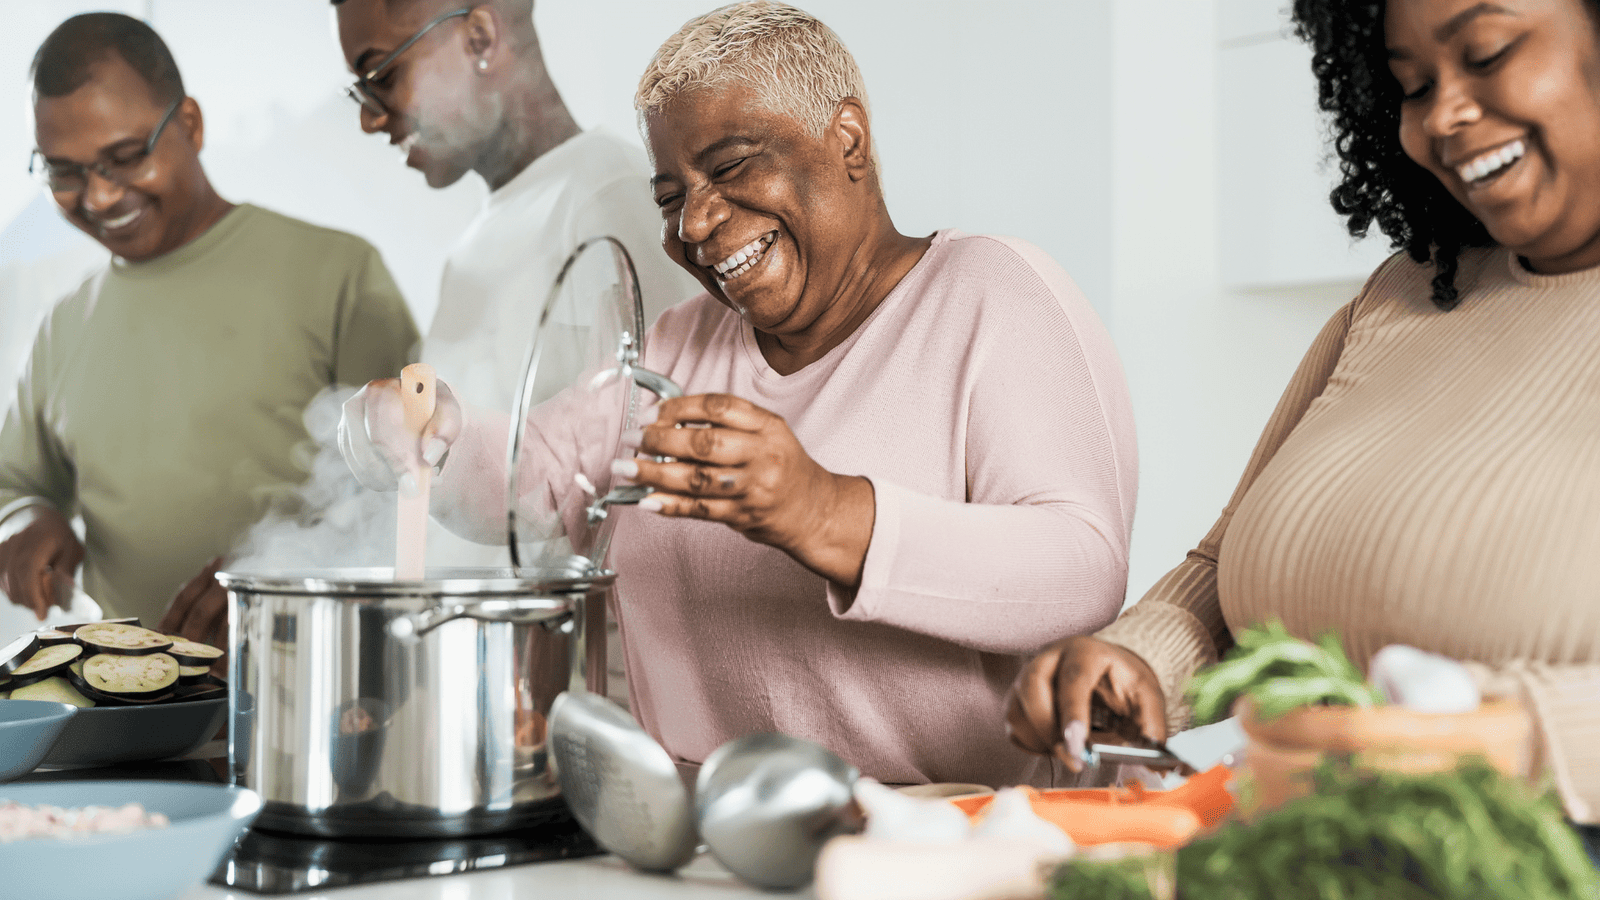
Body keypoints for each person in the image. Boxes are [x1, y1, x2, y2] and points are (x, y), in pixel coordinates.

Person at [340, 0, 1137, 787]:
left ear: (848, 140)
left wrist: (819, 510)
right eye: (668, 196)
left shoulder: (990, 294)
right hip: (711, 841)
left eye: (729, 168)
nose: (694, 222)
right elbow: (540, 479)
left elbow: (1080, 566)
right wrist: (435, 434)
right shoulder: (679, 341)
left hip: (952, 841)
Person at [1004, 0, 1600, 853]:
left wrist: (1510, 730)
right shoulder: (1402, 298)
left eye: (1488, 52)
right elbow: (1226, 566)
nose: (1443, 116)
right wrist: (1139, 662)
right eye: (1413, 84)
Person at [0, 13, 419, 649]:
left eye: (125, 157)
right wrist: (25, 520)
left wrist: (277, 583)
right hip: (132, 710)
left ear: (190, 125)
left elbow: (416, 491)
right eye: (65, 171)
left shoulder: (338, 274)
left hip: (317, 688)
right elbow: (17, 484)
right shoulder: (62, 327)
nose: (100, 197)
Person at [331, 0, 699, 704]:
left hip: (573, 703)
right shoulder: (477, 240)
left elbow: (645, 499)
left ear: (478, 35)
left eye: (380, 74)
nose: (369, 117)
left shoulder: (611, 201)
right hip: (485, 693)